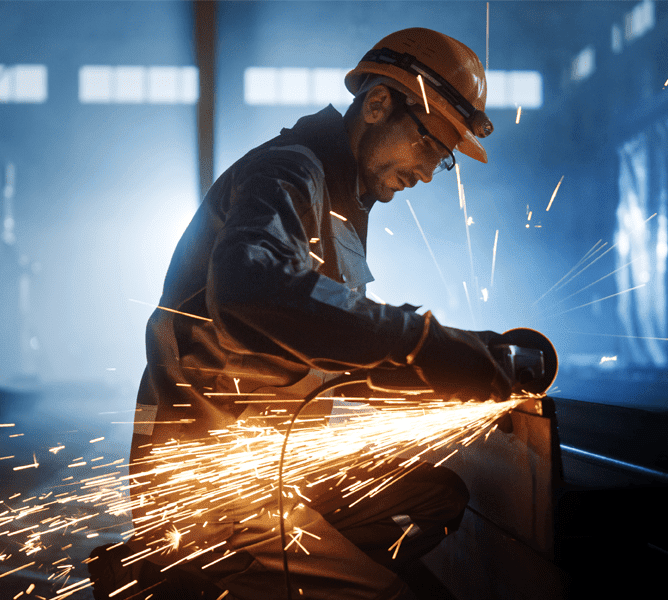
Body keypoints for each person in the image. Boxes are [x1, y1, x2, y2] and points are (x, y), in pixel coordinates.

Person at [89, 28, 513, 600]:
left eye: (444, 159)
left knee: (436, 499)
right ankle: (176, 578)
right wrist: (421, 343)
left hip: (277, 465)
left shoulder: (341, 199)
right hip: (220, 487)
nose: (432, 170)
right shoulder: (289, 172)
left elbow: (323, 341)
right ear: (379, 104)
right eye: (431, 143)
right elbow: (250, 289)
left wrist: (448, 367)